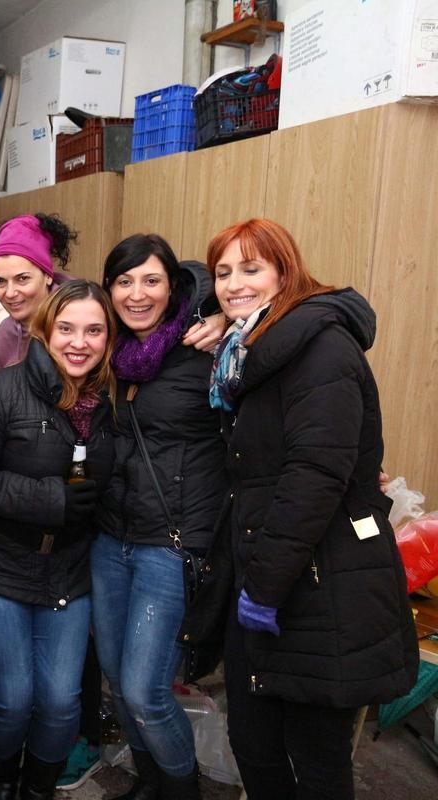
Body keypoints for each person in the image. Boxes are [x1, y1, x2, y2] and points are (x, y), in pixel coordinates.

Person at [179, 219, 418, 800]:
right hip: (264, 573)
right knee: (255, 746)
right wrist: (216, 314)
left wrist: (262, 588)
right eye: (223, 272)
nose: (234, 283)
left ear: (285, 273)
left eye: (252, 269)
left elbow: (313, 477)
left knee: (315, 761)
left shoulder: (321, 347)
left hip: (319, 582)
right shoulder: (248, 350)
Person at [0, 279, 118, 800]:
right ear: (45, 330)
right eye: (66, 328)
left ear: (109, 339)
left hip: (68, 569)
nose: (79, 342)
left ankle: (37, 789)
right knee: (13, 698)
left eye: (94, 330)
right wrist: (52, 499)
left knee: (62, 701)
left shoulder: (113, 404)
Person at [91, 234, 228, 800]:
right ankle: (150, 783)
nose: (137, 293)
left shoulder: (206, 349)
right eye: (124, 281)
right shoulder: (108, 354)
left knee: (147, 691)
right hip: (110, 539)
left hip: (172, 545)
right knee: (120, 689)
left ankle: (180, 789)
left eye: (151, 280)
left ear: (173, 286)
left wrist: (224, 321)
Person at [0, 214, 75, 413]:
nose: (10, 293)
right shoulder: (5, 332)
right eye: (0, 281)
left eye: (22, 279)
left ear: (47, 275)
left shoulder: (77, 322)